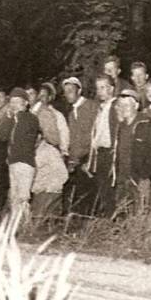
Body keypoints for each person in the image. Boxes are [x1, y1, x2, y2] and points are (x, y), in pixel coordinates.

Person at [113, 89, 151, 213]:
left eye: (126, 105)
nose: (123, 108)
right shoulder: (121, 126)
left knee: (141, 211)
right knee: (123, 211)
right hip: (122, 178)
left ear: (136, 106)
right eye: (120, 105)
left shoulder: (146, 123)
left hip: (139, 178)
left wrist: (146, 176)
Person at [0, 87, 39, 220]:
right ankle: (16, 226)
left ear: (26, 103)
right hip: (13, 162)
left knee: (23, 198)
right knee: (14, 197)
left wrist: (15, 115)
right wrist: (7, 118)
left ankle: (27, 226)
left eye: (17, 101)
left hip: (25, 163)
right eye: (12, 102)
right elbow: (2, 136)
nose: (13, 105)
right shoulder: (13, 119)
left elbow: (21, 133)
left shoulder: (30, 118)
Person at [31, 82, 69, 220]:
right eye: (39, 95)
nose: (41, 98)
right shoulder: (31, 113)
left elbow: (63, 136)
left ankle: (50, 217)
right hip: (36, 155)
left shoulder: (55, 115)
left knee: (51, 187)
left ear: (50, 97)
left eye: (44, 95)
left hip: (52, 153)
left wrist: (63, 151)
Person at [62, 76, 99, 215]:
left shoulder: (91, 106)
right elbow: (73, 138)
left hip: (90, 158)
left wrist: (89, 157)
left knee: (91, 196)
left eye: (70, 90)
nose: (67, 94)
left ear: (79, 91)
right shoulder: (71, 113)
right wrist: (72, 159)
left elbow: (96, 132)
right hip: (77, 161)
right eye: (65, 91)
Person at [88, 74, 119, 216]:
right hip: (100, 152)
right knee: (102, 187)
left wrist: (114, 150)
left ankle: (113, 217)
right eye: (98, 88)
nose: (99, 91)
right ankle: (107, 216)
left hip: (110, 152)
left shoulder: (115, 106)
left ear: (111, 89)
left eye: (103, 88)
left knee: (109, 187)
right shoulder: (101, 108)